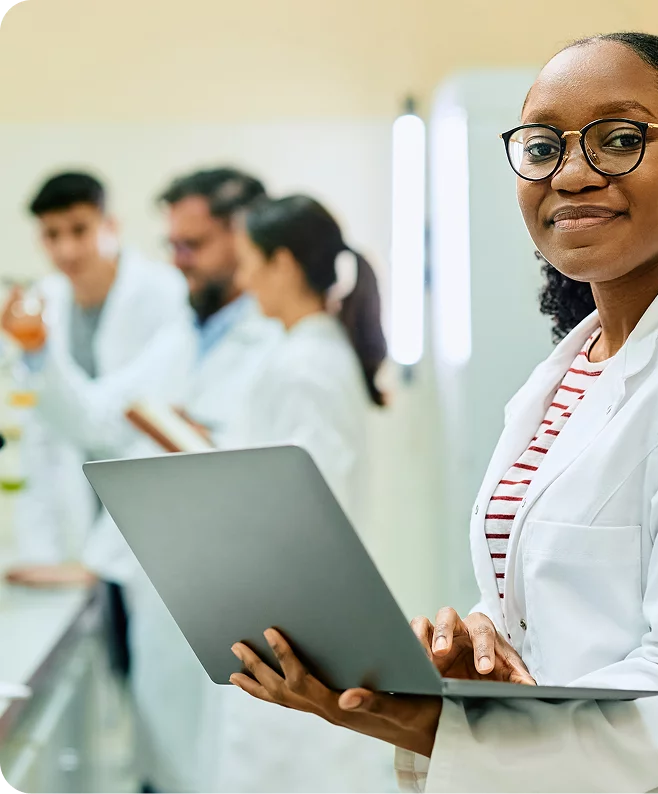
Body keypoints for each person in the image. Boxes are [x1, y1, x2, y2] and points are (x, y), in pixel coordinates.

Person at [227, 32, 658, 794]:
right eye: (544, 146)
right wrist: (480, 649)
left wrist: (431, 722)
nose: (574, 173)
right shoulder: (572, 371)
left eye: (620, 139)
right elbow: (563, 607)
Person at [6, 167, 282, 794]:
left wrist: (198, 446)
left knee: (222, 760)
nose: (178, 261)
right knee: (167, 759)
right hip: (150, 584)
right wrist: (36, 351)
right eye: (173, 246)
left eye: (194, 244)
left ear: (246, 235)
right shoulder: (188, 334)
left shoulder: (275, 342)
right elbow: (100, 420)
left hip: (226, 599)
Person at [200, 195, 395, 793]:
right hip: (288, 610)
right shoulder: (304, 352)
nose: (243, 276)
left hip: (295, 619)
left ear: (281, 263)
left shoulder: (304, 365)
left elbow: (309, 506)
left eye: (250, 260)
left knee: (292, 769)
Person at [3, 172, 188, 679]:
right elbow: (41, 440)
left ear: (111, 225)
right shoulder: (44, 302)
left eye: (79, 229)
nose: (65, 249)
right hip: (77, 525)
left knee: (155, 683)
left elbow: (119, 426)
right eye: (52, 234)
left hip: (151, 527)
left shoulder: (164, 297)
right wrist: (41, 554)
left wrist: (39, 355)